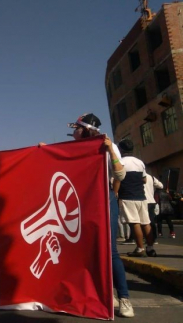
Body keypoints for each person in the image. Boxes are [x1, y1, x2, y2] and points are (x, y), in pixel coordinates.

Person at [67, 113, 134, 318]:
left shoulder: (106, 144)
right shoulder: (72, 148)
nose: (74, 132)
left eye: (77, 128)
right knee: (87, 249)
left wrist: (109, 151)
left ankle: (124, 299)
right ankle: (103, 293)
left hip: (104, 200)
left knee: (110, 250)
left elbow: (120, 175)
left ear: (86, 129)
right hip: (81, 203)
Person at [114, 139, 154, 258]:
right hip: (141, 196)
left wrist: (115, 193)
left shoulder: (121, 162)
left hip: (127, 196)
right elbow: (144, 179)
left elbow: (118, 179)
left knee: (134, 223)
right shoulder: (140, 162)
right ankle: (150, 248)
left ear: (120, 149)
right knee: (146, 223)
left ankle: (140, 248)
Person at [143, 173, 163, 242]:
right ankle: (153, 237)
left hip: (142, 201)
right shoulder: (151, 177)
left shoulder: (136, 176)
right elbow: (161, 186)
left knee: (142, 221)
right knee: (151, 221)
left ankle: (143, 237)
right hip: (151, 201)